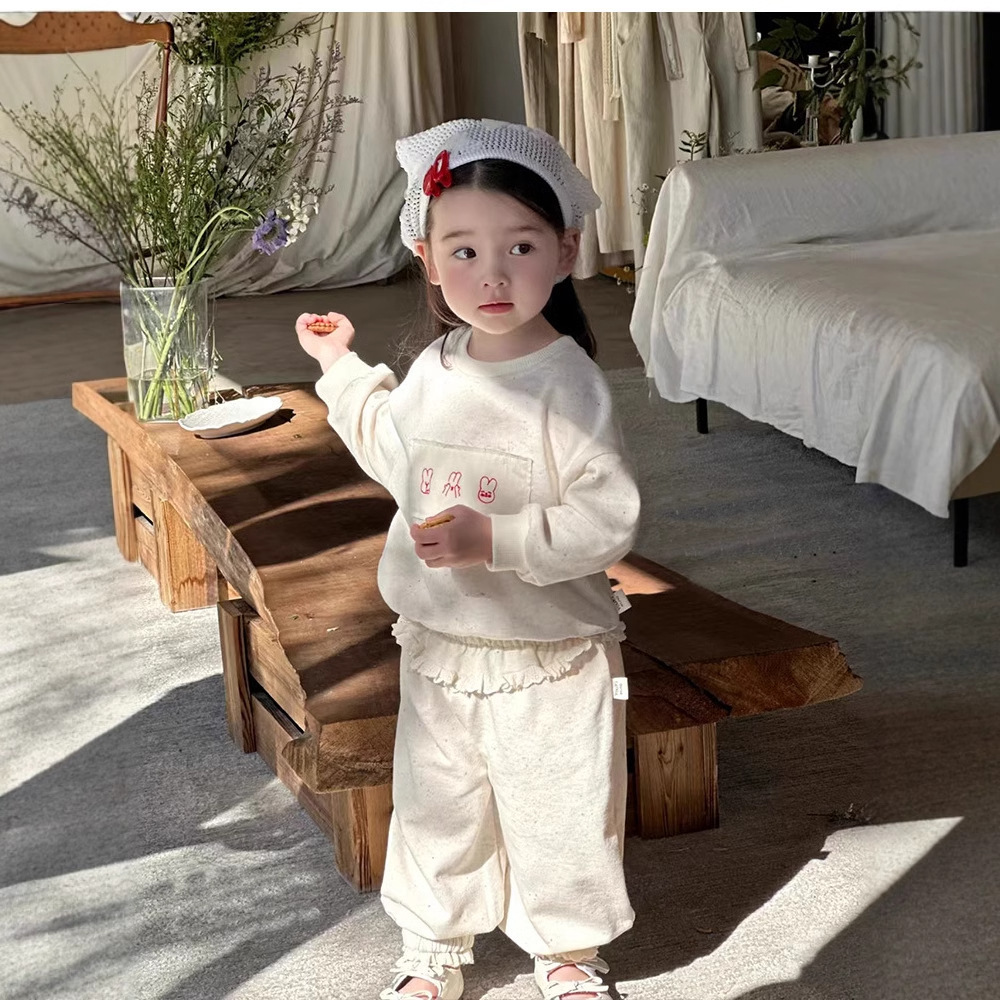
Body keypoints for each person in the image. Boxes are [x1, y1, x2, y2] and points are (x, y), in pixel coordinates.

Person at [295, 118, 641, 1000]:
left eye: (520, 247)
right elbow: (393, 450)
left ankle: (568, 952)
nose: (492, 276)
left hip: (550, 654)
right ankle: (431, 950)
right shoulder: (436, 368)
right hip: (441, 647)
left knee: (561, 804)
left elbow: (607, 517)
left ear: (565, 252)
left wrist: (497, 539)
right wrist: (339, 366)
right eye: (464, 251)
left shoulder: (568, 384)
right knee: (436, 803)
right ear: (427, 258)